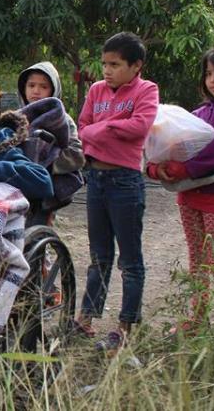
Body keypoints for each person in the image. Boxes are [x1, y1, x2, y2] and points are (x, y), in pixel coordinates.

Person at [145, 44, 214, 332]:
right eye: (209, 73)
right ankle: (195, 320)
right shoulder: (199, 112)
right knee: (197, 259)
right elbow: (166, 146)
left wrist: (185, 169)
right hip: (190, 194)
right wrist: (156, 168)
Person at [74, 32, 159, 355]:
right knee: (98, 255)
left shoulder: (146, 89)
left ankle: (124, 326)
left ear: (136, 66)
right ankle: (85, 318)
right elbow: (82, 129)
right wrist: (110, 127)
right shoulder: (96, 90)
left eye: (115, 64)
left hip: (125, 181)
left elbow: (140, 127)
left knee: (130, 259)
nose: (107, 70)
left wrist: (103, 128)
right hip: (96, 179)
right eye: (104, 63)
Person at [17, 61, 85, 226]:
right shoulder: (16, 118)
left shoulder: (62, 120)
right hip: (17, 182)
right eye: (31, 85)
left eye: (43, 86)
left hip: (45, 188)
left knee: (36, 232)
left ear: (54, 90)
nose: (36, 91)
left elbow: (76, 154)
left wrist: (45, 162)